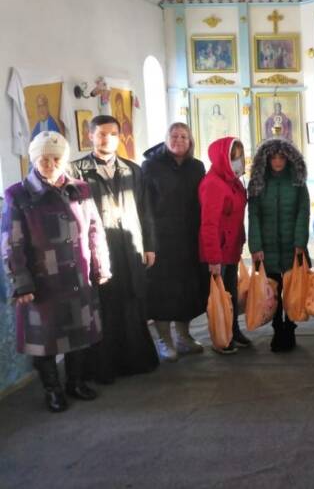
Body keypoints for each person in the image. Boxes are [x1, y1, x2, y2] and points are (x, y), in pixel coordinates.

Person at [2, 132, 111, 412]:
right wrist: (21, 283)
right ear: (33, 160)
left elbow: (95, 230)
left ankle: (75, 382)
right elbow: (12, 243)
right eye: (44, 159)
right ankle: (53, 390)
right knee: (45, 341)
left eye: (56, 159)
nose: (50, 164)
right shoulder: (18, 195)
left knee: (79, 334)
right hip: (42, 281)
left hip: (78, 277)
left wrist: (101, 265)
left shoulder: (80, 189)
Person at [69, 115, 159, 383]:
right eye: (100, 134)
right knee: (103, 304)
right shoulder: (76, 171)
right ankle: (104, 367)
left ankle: (134, 361)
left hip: (130, 244)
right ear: (90, 136)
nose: (106, 139)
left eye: (112, 134)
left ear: (120, 137)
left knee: (131, 300)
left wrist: (150, 246)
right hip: (98, 247)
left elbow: (145, 210)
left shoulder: (133, 169)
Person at [141, 122, 207, 361]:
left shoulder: (197, 167)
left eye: (183, 136)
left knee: (187, 290)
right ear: (166, 139)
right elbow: (144, 206)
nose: (179, 140)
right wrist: (148, 243)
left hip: (189, 239)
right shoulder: (150, 166)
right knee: (162, 292)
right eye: (174, 136)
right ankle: (164, 340)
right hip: (161, 241)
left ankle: (183, 337)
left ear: (190, 141)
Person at [248, 138, 310, 352]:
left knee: (293, 290)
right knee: (273, 291)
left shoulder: (297, 181)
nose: (277, 161)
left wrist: (300, 241)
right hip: (268, 246)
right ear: (265, 159)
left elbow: (303, 211)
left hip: (293, 245)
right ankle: (277, 328)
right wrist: (256, 246)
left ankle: (290, 328)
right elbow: (253, 215)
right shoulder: (257, 183)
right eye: (273, 157)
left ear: (289, 158)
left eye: (281, 157)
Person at [198, 136, 250, 355]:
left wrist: (241, 240)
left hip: (231, 248)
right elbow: (209, 224)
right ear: (222, 158)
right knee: (219, 299)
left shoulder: (233, 181)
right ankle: (221, 337)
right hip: (218, 251)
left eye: (240, 157)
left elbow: (236, 217)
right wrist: (214, 259)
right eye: (233, 157)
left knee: (231, 293)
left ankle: (233, 330)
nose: (238, 161)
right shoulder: (213, 183)